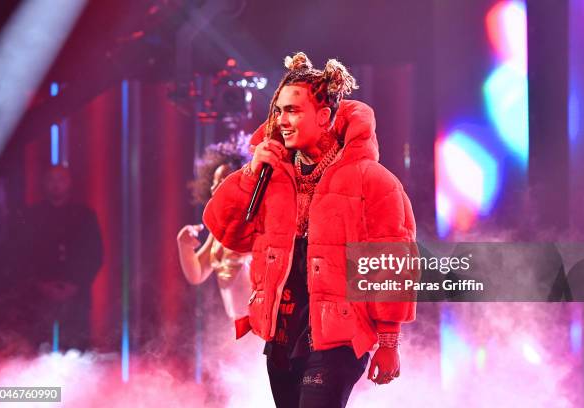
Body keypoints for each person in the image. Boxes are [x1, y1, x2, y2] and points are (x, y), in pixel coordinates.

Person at [203, 52, 417, 407]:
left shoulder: (372, 180)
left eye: (293, 110)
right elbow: (230, 234)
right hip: (283, 337)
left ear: (323, 116)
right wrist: (248, 175)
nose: (282, 120)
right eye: (279, 110)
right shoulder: (270, 176)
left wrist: (389, 342)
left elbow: (391, 263)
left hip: (339, 339)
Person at [17, 166, 103, 352]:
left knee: (77, 350)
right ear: (44, 183)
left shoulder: (85, 216)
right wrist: (39, 284)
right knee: (38, 350)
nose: (56, 185)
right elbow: (22, 254)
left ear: (69, 183)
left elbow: (94, 254)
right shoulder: (31, 216)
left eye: (61, 179)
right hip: (38, 296)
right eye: (51, 180)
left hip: (76, 296)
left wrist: (76, 284)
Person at [177, 138, 252, 320]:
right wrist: (184, 246)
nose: (215, 187)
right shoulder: (217, 232)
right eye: (214, 182)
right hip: (238, 328)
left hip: (261, 332)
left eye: (223, 181)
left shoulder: (257, 225)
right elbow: (197, 274)